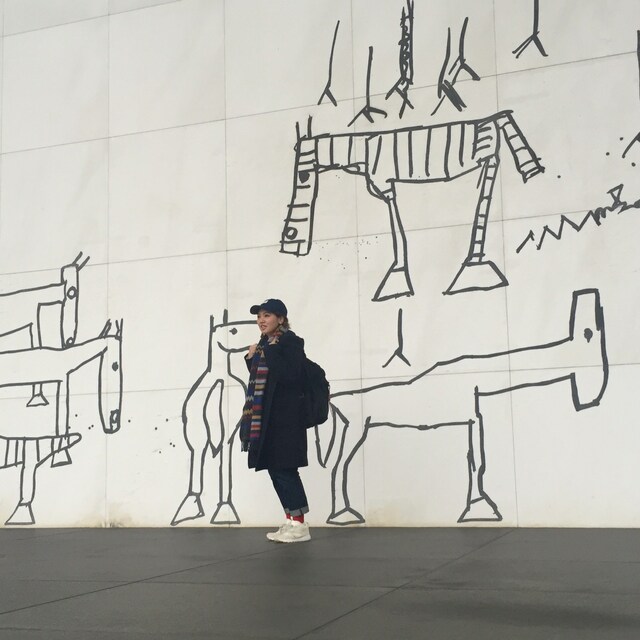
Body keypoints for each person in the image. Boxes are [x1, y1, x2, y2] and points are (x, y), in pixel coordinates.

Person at [240, 298, 311, 543]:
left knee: (285, 469)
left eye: (267, 315)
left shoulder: (291, 342)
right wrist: (252, 358)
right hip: (268, 420)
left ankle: (300, 525)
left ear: (281, 319)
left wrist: (268, 350)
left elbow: (290, 376)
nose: (261, 320)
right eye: (259, 316)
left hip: (286, 420)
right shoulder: (264, 345)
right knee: (275, 469)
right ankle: (291, 520)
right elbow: (265, 383)